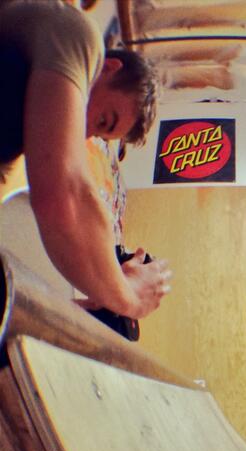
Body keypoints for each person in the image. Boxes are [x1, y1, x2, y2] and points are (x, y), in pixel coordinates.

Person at [0, 0, 170, 320]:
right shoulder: (80, 36)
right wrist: (130, 296)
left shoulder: (24, 114)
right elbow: (67, 195)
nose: (85, 133)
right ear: (109, 68)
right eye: (104, 120)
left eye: (99, 134)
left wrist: (78, 305)